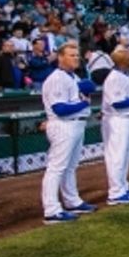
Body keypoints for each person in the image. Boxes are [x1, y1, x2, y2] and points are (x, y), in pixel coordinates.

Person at [40, 41, 97, 224]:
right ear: (60, 57)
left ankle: (72, 201)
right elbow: (60, 109)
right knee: (56, 168)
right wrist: (84, 103)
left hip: (75, 125)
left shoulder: (73, 77)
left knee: (70, 167)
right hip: (63, 125)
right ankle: (51, 210)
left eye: (76, 55)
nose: (75, 58)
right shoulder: (57, 78)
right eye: (71, 55)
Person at [100, 46, 129, 205]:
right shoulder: (114, 78)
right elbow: (118, 103)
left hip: (127, 119)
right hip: (118, 120)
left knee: (124, 156)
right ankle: (115, 193)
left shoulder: (124, 75)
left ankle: (123, 187)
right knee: (117, 157)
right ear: (122, 60)